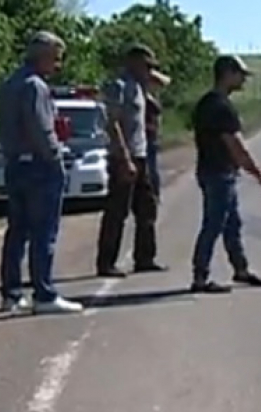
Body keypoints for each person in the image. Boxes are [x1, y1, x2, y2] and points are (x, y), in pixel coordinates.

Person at [0, 31, 83, 314]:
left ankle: (11, 294)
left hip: (14, 163)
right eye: (56, 58)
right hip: (39, 165)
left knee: (17, 231)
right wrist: (55, 157)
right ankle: (44, 294)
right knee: (44, 232)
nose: (57, 65)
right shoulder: (35, 86)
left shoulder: (9, 84)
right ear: (43, 56)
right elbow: (41, 129)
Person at [190, 54, 261, 293]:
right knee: (214, 225)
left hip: (210, 170)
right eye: (240, 75)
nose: (243, 81)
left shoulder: (206, 103)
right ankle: (200, 277)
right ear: (228, 74)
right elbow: (237, 147)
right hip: (219, 173)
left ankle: (240, 269)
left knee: (231, 224)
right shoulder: (222, 108)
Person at [95, 43, 166, 278]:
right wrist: (124, 158)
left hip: (141, 154)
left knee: (147, 208)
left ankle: (145, 257)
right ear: (133, 62)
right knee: (117, 212)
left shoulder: (138, 87)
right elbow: (112, 123)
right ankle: (106, 262)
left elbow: (159, 96)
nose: (150, 71)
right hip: (123, 156)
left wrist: (148, 81)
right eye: (146, 66)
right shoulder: (119, 86)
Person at [145, 68, 171, 201]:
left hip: (152, 137)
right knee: (150, 170)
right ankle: (152, 196)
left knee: (152, 169)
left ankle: (153, 196)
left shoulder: (151, 97)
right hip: (147, 138)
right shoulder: (145, 97)